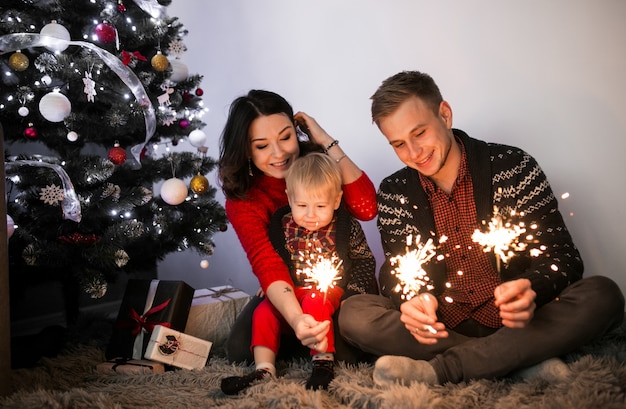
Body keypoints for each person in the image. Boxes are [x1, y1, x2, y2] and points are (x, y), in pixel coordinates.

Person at [338, 70, 625, 386]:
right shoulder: (394, 192)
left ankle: (443, 370)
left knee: (603, 294)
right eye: (399, 144)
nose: (414, 153)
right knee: (354, 313)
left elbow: (564, 259)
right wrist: (411, 299)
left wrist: (532, 287)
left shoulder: (513, 166)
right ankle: (518, 359)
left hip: (520, 324)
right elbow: (394, 272)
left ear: (444, 115)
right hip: (444, 327)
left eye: (419, 133)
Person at [217, 90, 378, 368]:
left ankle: (309, 342)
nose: (279, 153)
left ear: (297, 131)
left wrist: (326, 141)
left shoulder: (317, 165)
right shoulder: (244, 198)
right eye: (262, 146)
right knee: (241, 349)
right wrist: (295, 318)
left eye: (286, 137)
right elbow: (266, 262)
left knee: (349, 350)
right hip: (287, 286)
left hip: (336, 287)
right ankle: (299, 335)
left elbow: (366, 208)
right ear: (245, 148)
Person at [220, 153, 378, 394]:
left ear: (336, 201)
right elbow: (272, 263)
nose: (310, 215)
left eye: (320, 206)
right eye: (302, 205)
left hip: (329, 290)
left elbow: (365, 260)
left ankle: (322, 362)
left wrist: (353, 294)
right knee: (264, 311)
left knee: (316, 302)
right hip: (292, 292)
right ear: (289, 198)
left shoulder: (346, 227)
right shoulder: (281, 226)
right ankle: (264, 368)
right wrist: (269, 284)